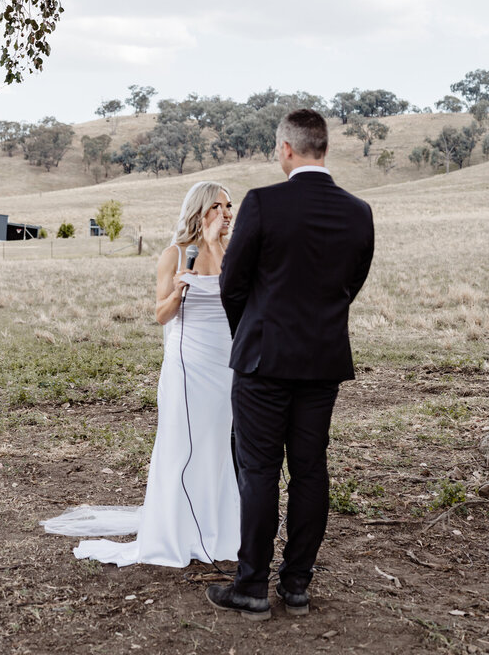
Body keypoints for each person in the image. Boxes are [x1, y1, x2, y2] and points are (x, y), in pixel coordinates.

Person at [207, 109, 374, 621]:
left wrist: (251, 333)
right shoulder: (358, 211)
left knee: (257, 471)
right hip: (322, 362)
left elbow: (233, 284)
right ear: (323, 149)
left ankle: (252, 586)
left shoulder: (262, 203)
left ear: (286, 149)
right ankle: (297, 585)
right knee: (310, 471)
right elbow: (352, 283)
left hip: (263, 361)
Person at [43, 181, 240, 567]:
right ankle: (175, 530)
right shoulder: (176, 253)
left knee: (218, 445)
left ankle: (219, 528)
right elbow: (160, 315)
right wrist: (180, 291)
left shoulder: (234, 253)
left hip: (226, 362)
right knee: (182, 444)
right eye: (219, 206)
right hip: (189, 363)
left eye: (230, 206)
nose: (228, 213)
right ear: (201, 211)